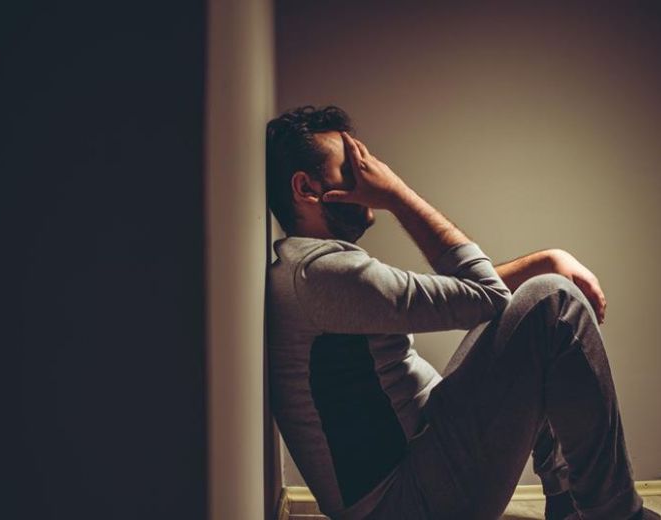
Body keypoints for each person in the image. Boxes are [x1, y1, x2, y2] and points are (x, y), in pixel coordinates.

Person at [265, 105, 658, 520]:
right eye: (352, 165)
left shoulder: (316, 269)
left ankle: (570, 507)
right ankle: (615, 513)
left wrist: (545, 259)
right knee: (553, 303)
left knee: (533, 315)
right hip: (401, 502)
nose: (371, 172)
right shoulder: (322, 275)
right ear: (306, 188)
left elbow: (466, 298)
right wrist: (397, 195)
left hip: (419, 463)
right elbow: (486, 296)